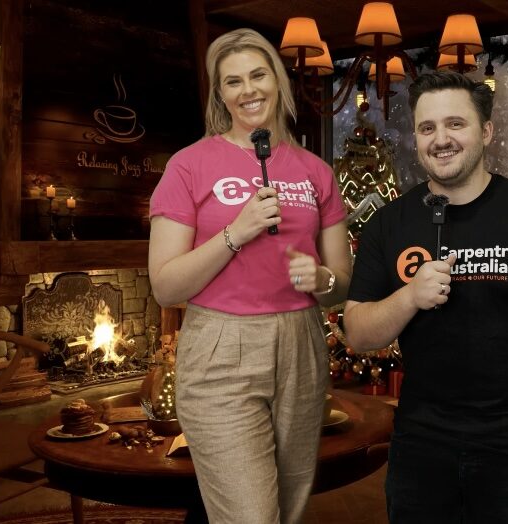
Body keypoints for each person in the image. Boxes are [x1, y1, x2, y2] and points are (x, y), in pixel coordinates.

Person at [343, 71, 508, 524]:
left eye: (455, 124)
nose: (440, 139)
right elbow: (358, 333)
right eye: (427, 128)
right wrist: (410, 296)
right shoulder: (389, 224)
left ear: (486, 132)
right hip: (421, 440)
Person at [148, 28, 351, 524]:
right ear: (221, 95)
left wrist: (322, 279)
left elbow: (342, 285)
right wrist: (235, 233)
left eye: (258, 75)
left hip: (302, 344)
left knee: (287, 508)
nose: (248, 90)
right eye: (233, 82)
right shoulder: (188, 165)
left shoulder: (316, 171)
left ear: (277, 81)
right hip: (220, 347)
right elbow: (166, 287)